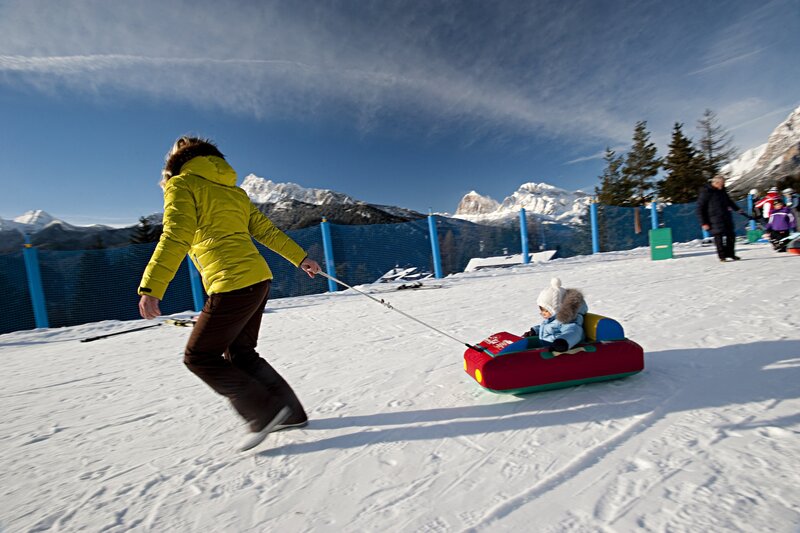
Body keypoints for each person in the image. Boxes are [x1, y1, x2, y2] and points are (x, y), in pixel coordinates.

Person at [137, 136, 321, 452]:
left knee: (199, 356)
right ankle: (292, 414)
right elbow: (267, 231)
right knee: (241, 353)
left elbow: (175, 236)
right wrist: (300, 257)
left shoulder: (182, 185)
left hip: (231, 282)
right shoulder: (233, 191)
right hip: (258, 280)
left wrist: (153, 287)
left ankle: (264, 412)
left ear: (175, 163)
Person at [522, 277, 588, 352]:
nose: (543, 313)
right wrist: (535, 331)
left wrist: (562, 342)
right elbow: (549, 328)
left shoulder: (568, 321)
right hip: (547, 348)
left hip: (561, 350)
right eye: (541, 310)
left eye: (546, 310)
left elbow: (574, 332)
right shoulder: (553, 319)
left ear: (557, 309)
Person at [697, 175, 747, 262]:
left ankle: (731, 254)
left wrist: (737, 209)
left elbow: (729, 201)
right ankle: (722, 256)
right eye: (722, 183)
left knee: (731, 236)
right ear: (716, 183)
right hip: (713, 219)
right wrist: (704, 222)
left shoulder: (722, 191)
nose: (723, 185)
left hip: (726, 217)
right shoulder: (706, 192)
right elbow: (700, 208)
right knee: (718, 237)